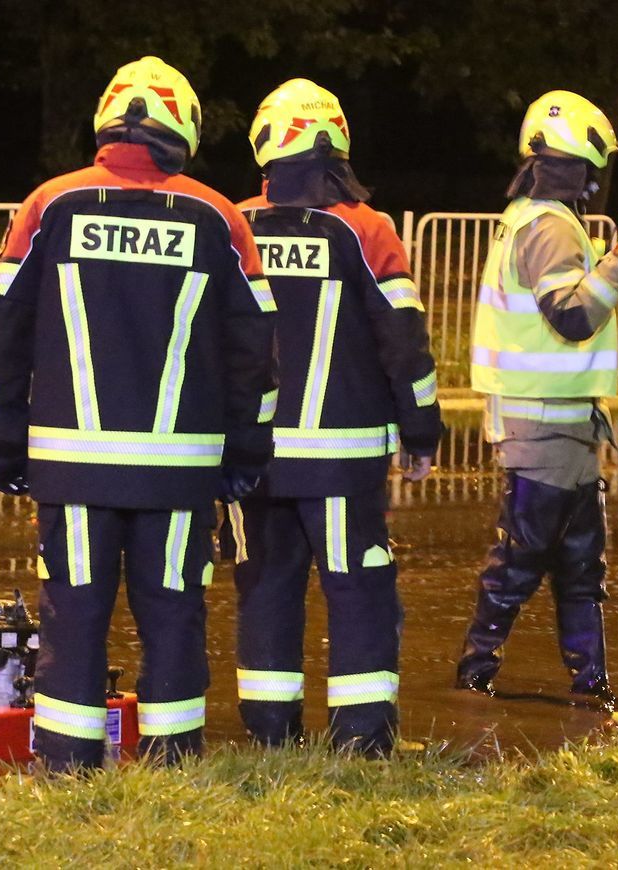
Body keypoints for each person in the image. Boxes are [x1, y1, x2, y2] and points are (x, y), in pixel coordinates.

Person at [0, 56, 277, 771]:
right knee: (173, 611)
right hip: (178, 472)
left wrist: (1, 442)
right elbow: (255, 352)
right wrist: (245, 456)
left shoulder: (49, 205)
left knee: (74, 613)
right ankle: (174, 762)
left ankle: (67, 768)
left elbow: (4, 334)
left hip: (72, 465)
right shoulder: (217, 216)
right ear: (185, 129)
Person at [227, 78, 443, 756]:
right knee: (359, 591)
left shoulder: (236, 224)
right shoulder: (368, 230)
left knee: (264, 588)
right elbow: (403, 339)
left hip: (252, 459)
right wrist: (422, 428)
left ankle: (270, 738)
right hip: (343, 460)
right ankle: (361, 742)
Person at [454, 90, 618, 712]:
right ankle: (476, 674)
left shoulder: (537, 218)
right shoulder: (547, 226)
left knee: (577, 565)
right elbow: (570, 316)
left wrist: (612, 256)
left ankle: (588, 683)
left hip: (562, 425)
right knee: (525, 561)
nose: (594, 181)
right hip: (541, 426)